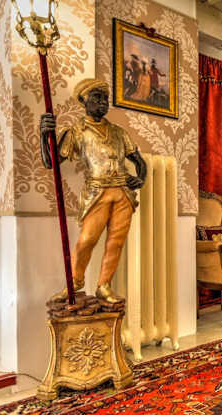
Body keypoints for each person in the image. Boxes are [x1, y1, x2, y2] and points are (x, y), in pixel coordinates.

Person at [40, 78, 147, 303]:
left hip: (123, 194)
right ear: (84, 101)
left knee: (116, 241)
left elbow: (139, 161)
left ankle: (104, 285)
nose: (103, 102)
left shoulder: (119, 132)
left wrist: (140, 178)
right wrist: (44, 134)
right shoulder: (77, 131)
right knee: (87, 240)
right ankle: (75, 282)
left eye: (105, 98)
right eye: (97, 97)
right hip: (97, 192)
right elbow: (51, 162)